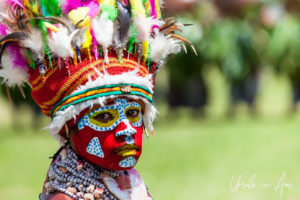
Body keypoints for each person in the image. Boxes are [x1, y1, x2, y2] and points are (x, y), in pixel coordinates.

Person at [0, 0, 193, 199]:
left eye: (133, 113)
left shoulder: (129, 184)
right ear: (68, 128)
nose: (126, 129)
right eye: (104, 117)